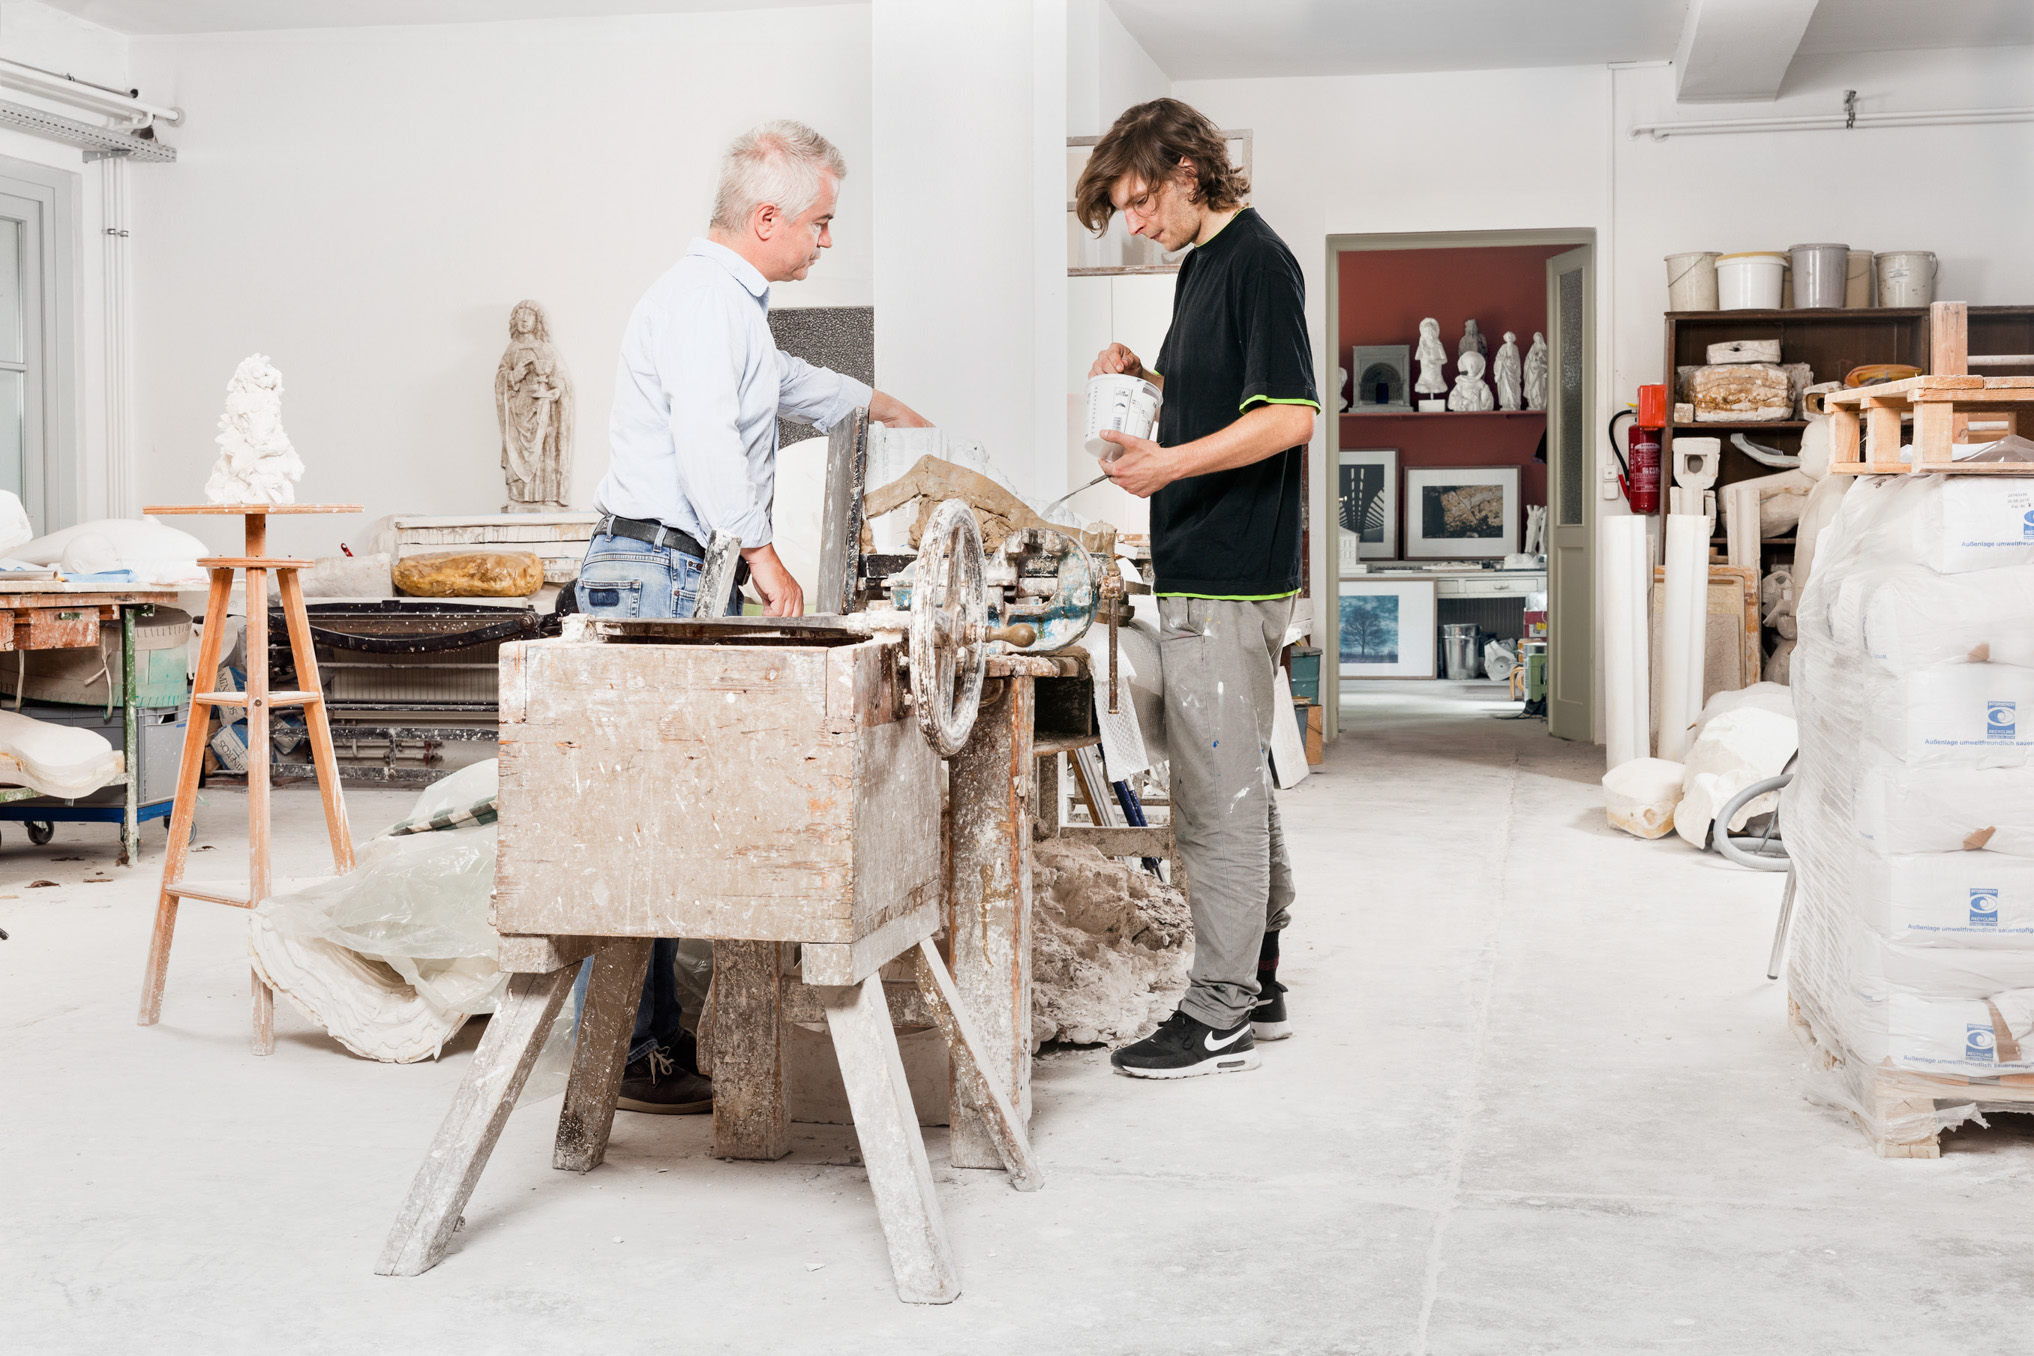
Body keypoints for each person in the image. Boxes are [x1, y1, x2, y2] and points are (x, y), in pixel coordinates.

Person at [576, 120, 930, 1113]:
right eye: (820, 223)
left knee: (668, 811)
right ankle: (623, 1053)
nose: (827, 241)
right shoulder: (702, 302)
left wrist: (884, 407)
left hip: (674, 570)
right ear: (767, 218)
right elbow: (705, 440)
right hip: (655, 571)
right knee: (637, 817)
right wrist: (764, 556)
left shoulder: (735, 312)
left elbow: (792, 387)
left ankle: (645, 1042)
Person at [1073, 98, 1318, 1079]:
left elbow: (1291, 416)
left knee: (1215, 802)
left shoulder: (1259, 261)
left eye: (1139, 202)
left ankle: (1218, 1012)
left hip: (1230, 573)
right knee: (1236, 775)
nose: (1135, 223)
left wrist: (1168, 468)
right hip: (1204, 564)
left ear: (1186, 170)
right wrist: (1150, 379)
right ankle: (1258, 976)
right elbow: (1224, 400)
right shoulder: (1203, 267)